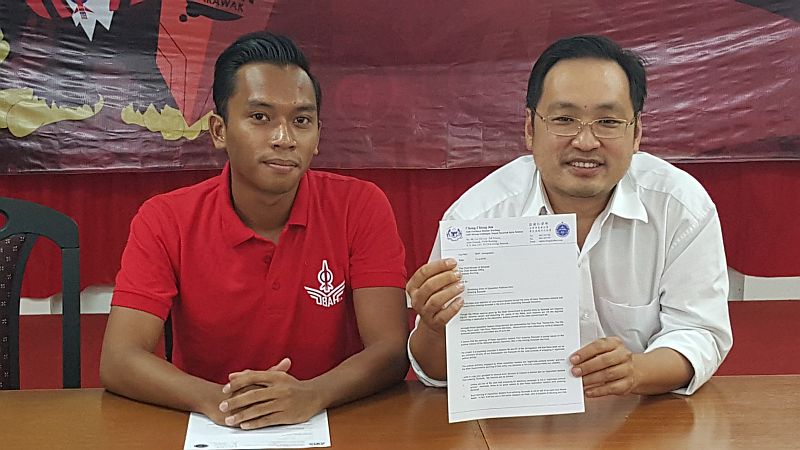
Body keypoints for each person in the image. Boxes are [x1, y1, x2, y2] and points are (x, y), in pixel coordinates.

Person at [100, 32, 410, 429]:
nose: (283, 139)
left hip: (334, 421)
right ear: (218, 130)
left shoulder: (361, 206)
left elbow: (389, 351)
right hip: (213, 427)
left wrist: (311, 395)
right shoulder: (165, 218)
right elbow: (120, 359)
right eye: (260, 117)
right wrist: (225, 403)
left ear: (317, 137)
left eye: (301, 121)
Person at [406, 35, 732, 397]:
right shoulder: (476, 219)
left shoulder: (680, 206)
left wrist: (636, 371)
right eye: (564, 119)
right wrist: (435, 329)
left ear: (637, 132)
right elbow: (437, 374)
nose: (586, 142)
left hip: (639, 417)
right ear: (530, 129)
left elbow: (701, 333)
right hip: (513, 426)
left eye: (607, 122)